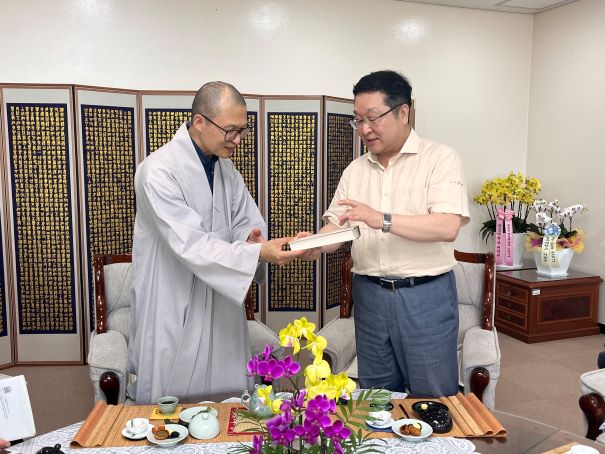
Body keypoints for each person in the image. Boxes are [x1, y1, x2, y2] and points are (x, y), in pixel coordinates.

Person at [128, 81, 303, 404]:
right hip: (173, 297)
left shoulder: (225, 170)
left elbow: (244, 222)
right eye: (231, 130)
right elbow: (190, 243)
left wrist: (251, 241)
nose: (238, 140)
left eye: (243, 130)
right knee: (170, 408)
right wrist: (254, 252)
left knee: (228, 406)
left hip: (221, 298)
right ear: (199, 122)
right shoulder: (157, 172)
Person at [306, 70, 469, 397]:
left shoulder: (439, 158)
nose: (364, 129)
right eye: (357, 120)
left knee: (433, 397)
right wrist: (312, 245)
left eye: (372, 118)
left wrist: (381, 219)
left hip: (425, 295)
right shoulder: (355, 169)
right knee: (377, 398)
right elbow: (338, 226)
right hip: (370, 296)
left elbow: (447, 226)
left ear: (403, 112)